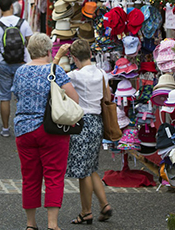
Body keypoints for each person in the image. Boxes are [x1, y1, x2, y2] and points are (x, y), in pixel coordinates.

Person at [13, 33, 79, 230]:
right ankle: (52, 224)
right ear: (48, 50)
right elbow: (74, 98)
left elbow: (17, 95)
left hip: (24, 128)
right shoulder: (55, 71)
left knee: (30, 177)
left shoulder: (20, 72)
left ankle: (31, 224)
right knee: (53, 176)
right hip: (51, 128)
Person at [64, 39, 113, 224]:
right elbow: (107, 97)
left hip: (82, 122)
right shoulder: (102, 73)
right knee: (91, 167)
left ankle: (86, 211)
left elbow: (53, 77)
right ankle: (104, 204)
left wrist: (59, 55)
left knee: (83, 171)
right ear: (91, 54)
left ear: (74, 58)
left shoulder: (75, 76)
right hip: (97, 122)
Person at [0, 0, 33, 137]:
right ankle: (24, 127)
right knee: (23, 96)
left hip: (3, 63)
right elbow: (31, 43)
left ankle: (5, 129)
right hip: (21, 63)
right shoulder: (23, 23)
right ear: (11, 7)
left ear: (0, 8)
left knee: (4, 96)